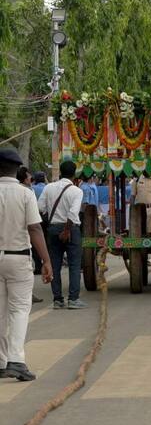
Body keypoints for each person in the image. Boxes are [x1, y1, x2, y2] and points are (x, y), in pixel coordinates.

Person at [0, 147, 53, 382]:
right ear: (18, 170)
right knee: (19, 310)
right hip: (19, 258)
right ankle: (16, 361)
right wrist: (47, 260)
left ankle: (1, 362)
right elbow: (34, 228)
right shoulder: (25, 193)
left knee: (0, 313)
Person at [38, 160, 85, 309]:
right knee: (74, 265)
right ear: (74, 174)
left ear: (60, 172)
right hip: (71, 230)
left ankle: (57, 300)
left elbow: (40, 208)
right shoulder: (77, 191)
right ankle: (73, 299)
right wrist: (66, 231)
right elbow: (73, 213)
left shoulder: (48, 188)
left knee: (55, 265)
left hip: (53, 229)